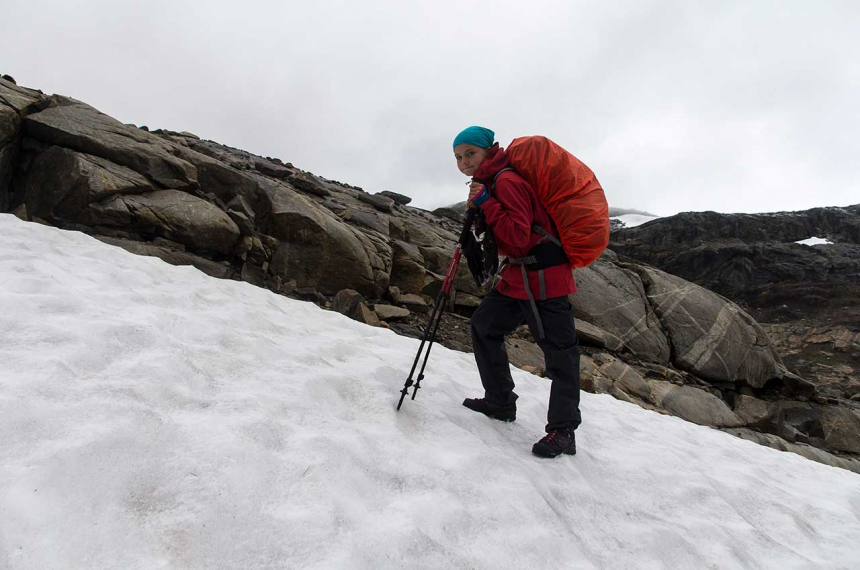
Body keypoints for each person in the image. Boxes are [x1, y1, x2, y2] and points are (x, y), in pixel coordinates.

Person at [452, 125, 581, 458]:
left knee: (560, 354)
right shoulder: (491, 182)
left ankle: (563, 430)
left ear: (488, 150)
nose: (464, 162)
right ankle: (500, 402)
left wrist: (486, 203)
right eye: (458, 157)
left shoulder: (506, 181)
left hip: (544, 278)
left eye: (470, 154)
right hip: (519, 277)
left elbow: (519, 235)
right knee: (484, 325)